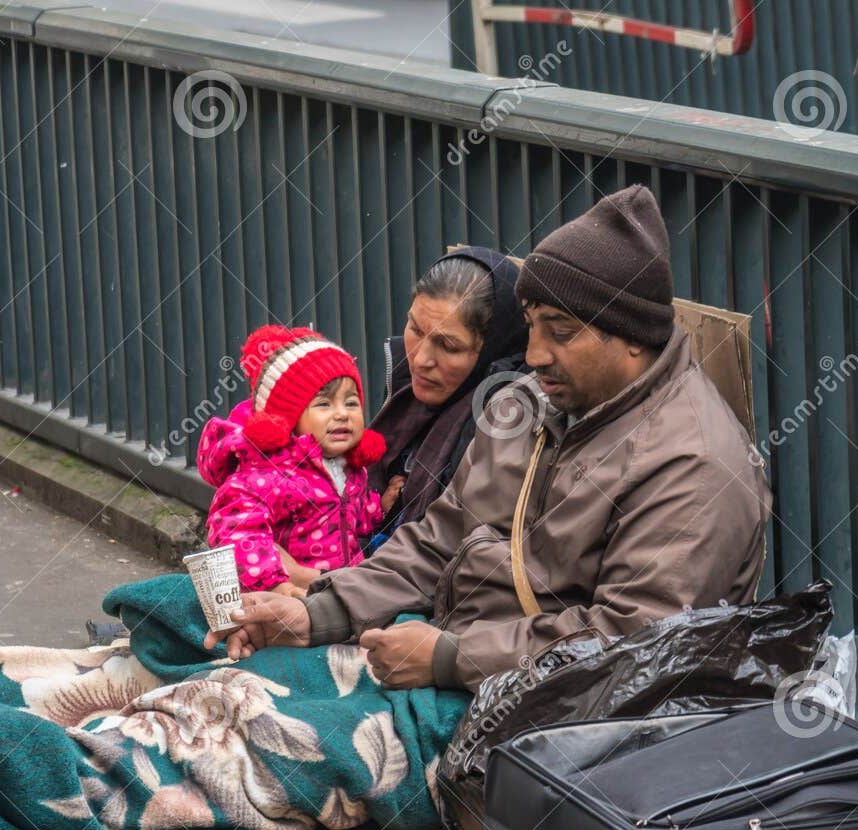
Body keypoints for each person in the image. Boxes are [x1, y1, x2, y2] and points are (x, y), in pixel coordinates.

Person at [207, 185, 772, 691]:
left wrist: (450, 658)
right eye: (531, 326)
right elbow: (438, 540)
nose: (533, 355)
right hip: (451, 648)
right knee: (194, 635)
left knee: (219, 749)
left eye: (561, 332)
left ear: (629, 337)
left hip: (550, 720)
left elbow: (636, 644)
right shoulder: (526, 403)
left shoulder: (695, 463)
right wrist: (318, 614)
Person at [197, 324, 389, 596]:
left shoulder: (348, 467)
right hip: (287, 594)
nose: (342, 414)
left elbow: (352, 515)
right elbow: (239, 532)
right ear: (288, 419)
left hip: (339, 588)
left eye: (351, 402)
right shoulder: (269, 474)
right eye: (324, 404)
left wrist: (378, 508)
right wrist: (274, 584)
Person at [367, 246, 529, 543]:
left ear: (493, 350)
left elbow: (448, 562)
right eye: (415, 328)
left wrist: (325, 577)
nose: (419, 360)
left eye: (449, 346)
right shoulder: (404, 399)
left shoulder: (504, 427)